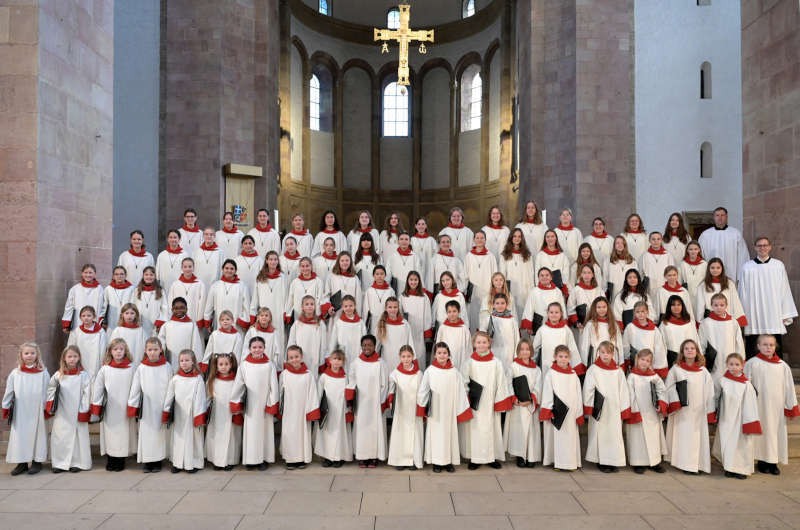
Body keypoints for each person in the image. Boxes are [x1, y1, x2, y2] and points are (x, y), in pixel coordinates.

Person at [744, 335, 799, 476]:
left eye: (771, 345)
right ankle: (762, 462)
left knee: (775, 433)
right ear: (758, 346)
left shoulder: (783, 366)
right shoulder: (752, 363)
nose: (768, 348)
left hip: (777, 408)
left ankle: (773, 463)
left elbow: (789, 387)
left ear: (775, 347)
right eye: (765, 345)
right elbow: (745, 384)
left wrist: (791, 406)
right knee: (762, 434)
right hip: (759, 406)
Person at [459, 331, 514, 470]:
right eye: (479, 342)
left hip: (490, 402)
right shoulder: (469, 363)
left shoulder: (496, 363)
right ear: (474, 344)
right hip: (475, 404)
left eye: (484, 342)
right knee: (475, 429)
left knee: (491, 429)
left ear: (489, 343)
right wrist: (467, 398)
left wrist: (499, 401)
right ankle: (475, 458)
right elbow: (463, 382)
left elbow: (501, 382)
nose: (481, 345)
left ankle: (491, 457)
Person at [738, 236, 798, 358]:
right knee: (753, 348)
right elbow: (742, 293)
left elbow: (784, 290)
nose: (762, 248)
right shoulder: (747, 267)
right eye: (759, 245)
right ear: (755, 248)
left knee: (774, 347)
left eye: (765, 245)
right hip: (754, 314)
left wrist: (785, 313)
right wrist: (742, 315)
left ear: (770, 247)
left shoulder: (778, 266)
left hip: (773, 314)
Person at [418, 342, 472, 472]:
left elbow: (460, 391)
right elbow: (423, 390)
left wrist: (462, 409)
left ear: (449, 355)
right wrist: (422, 407)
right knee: (436, 435)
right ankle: (437, 462)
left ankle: (448, 461)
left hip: (449, 410)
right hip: (435, 410)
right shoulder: (430, 371)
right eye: (439, 353)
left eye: (444, 353)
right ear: (435, 355)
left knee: (449, 434)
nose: (442, 355)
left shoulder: (454, 372)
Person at [664, 339, 716, 475]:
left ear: (697, 352)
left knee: (697, 438)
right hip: (683, 411)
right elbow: (669, 387)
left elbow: (710, 391)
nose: (690, 350)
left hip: (698, 411)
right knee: (684, 437)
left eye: (692, 348)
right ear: (682, 352)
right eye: (686, 348)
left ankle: (697, 464)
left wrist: (709, 410)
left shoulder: (703, 371)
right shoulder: (676, 369)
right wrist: (675, 402)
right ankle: (685, 464)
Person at [230, 336, 279, 470]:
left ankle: (263, 459)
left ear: (264, 348)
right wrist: (236, 402)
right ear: (249, 349)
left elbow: (274, 385)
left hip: (264, 405)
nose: (257, 350)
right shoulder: (244, 365)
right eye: (254, 347)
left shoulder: (269, 365)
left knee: (264, 432)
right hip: (250, 406)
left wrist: (272, 403)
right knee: (251, 432)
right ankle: (251, 460)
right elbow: (239, 384)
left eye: (260, 347)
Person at [583, 341, 631, 473]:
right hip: (600, 408)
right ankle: (601, 461)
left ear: (613, 354)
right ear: (598, 352)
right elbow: (588, 388)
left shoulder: (618, 371)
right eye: (602, 352)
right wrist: (589, 406)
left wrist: (624, 409)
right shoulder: (593, 369)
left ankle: (613, 461)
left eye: (608, 353)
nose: (605, 355)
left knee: (614, 435)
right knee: (600, 434)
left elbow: (623, 390)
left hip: (614, 409)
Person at [712, 353, 762, 479]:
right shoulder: (722, 381)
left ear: (742, 366)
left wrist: (750, 423)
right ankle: (729, 467)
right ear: (726, 365)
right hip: (726, 419)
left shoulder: (746, 385)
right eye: (731, 364)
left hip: (741, 420)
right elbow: (716, 398)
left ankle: (741, 469)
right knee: (727, 443)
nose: (734, 367)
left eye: (737, 364)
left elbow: (751, 405)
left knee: (741, 445)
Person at [2, 342, 49, 476]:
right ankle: (21, 463)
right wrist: (5, 407)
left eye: (32, 353)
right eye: (26, 353)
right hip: (20, 411)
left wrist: (46, 408)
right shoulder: (15, 373)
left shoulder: (43, 372)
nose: (29, 356)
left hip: (37, 410)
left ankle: (36, 462)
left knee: (37, 435)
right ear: (21, 355)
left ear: (37, 355)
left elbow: (47, 390)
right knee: (20, 436)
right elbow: (9, 391)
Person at [91, 338, 136, 471]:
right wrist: (96, 405)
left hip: (125, 406)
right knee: (110, 433)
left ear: (125, 351)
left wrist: (133, 404)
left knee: (123, 434)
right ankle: (111, 458)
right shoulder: (105, 369)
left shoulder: (131, 368)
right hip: (110, 407)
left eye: (121, 349)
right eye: (115, 349)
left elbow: (136, 387)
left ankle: (120, 460)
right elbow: (98, 388)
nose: (118, 352)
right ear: (110, 352)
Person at [128, 337, 171, 472]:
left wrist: (168, 406)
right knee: (146, 433)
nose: (152, 352)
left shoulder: (167, 366)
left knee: (159, 433)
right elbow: (135, 387)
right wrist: (132, 405)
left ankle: (157, 461)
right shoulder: (141, 367)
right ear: (145, 351)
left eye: (155, 349)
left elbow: (171, 386)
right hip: (146, 407)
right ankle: (147, 461)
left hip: (161, 405)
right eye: (150, 350)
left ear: (161, 351)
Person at [47, 345, 92, 473]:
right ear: (64, 359)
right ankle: (59, 463)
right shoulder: (58, 375)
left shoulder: (83, 375)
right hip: (62, 411)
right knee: (60, 437)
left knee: (77, 438)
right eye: (69, 356)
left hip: (77, 411)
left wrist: (83, 410)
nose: (72, 359)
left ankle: (77, 463)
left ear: (79, 358)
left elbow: (86, 393)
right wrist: (52, 404)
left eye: (75, 356)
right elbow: (50, 389)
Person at [347, 334, 389, 468]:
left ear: (374, 346)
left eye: (369, 345)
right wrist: (351, 397)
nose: (367, 347)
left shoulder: (381, 363)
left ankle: (374, 456)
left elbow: (384, 384)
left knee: (374, 429)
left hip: (375, 403)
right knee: (361, 429)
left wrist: (381, 401)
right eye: (364, 345)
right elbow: (351, 380)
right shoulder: (355, 363)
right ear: (361, 346)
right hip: (361, 402)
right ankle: (362, 456)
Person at [539, 345, 584, 471]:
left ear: (569, 358)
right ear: (555, 357)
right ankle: (556, 462)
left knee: (569, 437)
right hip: (557, 411)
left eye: (565, 357)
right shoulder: (551, 374)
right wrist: (548, 410)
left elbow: (578, 393)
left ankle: (570, 463)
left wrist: (579, 412)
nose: (563, 359)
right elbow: (547, 392)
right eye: (560, 356)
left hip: (571, 412)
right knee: (556, 437)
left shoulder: (573, 374)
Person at [163, 349, 207, 473]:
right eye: (181, 361)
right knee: (178, 439)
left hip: (193, 414)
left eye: (187, 360)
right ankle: (177, 463)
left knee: (193, 439)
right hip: (178, 414)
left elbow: (201, 398)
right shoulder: (175, 379)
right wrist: (166, 412)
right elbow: (169, 396)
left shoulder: (198, 379)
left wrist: (198, 416)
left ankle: (193, 463)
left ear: (193, 362)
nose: (184, 363)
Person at [625, 349, 667, 474]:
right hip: (637, 411)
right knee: (638, 438)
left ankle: (654, 462)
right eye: (642, 359)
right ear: (637, 359)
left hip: (651, 412)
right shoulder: (632, 376)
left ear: (651, 362)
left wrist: (661, 404)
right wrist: (634, 410)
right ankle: (638, 462)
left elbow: (662, 391)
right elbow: (630, 394)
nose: (644, 362)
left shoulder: (654, 377)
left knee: (653, 437)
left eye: (647, 360)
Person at [279, 345, 321, 469]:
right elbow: (281, 393)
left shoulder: (308, 375)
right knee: (289, 433)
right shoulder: (284, 374)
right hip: (289, 410)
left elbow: (312, 393)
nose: (294, 360)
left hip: (303, 411)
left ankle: (302, 458)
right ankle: (290, 459)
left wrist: (311, 410)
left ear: (301, 357)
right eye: (291, 357)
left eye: (296, 357)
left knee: (303, 433)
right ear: (287, 359)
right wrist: (280, 409)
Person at [503, 340, 542, 468]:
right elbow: (508, 383)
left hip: (530, 404)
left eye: (527, 349)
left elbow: (538, 386)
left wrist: (531, 399)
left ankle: (531, 456)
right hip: (518, 405)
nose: (525, 352)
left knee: (531, 431)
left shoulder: (536, 369)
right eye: (522, 349)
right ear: (518, 351)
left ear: (531, 351)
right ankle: (520, 455)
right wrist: (514, 398)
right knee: (519, 430)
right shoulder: (514, 366)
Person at [387, 345, 424, 470]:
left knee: (414, 434)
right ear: (399, 357)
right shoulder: (395, 374)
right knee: (400, 433)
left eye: (409, 356)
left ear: (413, 357)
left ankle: (414, 460)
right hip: (401, 408)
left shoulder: (419, 374)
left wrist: (421, 407)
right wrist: (391, 400)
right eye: (403, 356)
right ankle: (400, 460)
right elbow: (391, 390)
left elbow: (422, 392)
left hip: (414, 408)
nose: (406, 359)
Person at [314, 350, 353, 468]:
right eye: (334, 359)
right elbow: (319, 394)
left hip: (340, 411)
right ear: (329, 361)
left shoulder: (345, 377)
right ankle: (327, 457)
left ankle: (339, 457)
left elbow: (348, 394)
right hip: (327, 410)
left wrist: (348, 410)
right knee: (326, 433)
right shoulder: (324, 377)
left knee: (339, 433)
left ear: (343, 362)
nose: (336, 362)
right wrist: (317, 409)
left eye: (339, 359)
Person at [205, 353, 242, 470]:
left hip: (231, 414)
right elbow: (207, 398)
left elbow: (240, 395)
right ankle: (217, 461)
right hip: (217, 415)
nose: (223, 367)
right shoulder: (212, 381)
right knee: (217, 436)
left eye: (226, 364)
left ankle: (230, 460)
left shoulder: (236, 381)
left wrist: (238, 412)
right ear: (216, 365)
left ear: (231, 365)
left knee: (232, 437)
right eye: (221, 364)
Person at [698, 293, 745, 378]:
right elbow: (701, 343)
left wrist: (740, 359)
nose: (719, 307)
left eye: (721, 305)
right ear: (711, 306)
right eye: (716, 305)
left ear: (726, 305)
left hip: (731, 359)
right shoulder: (706, 323)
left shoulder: (733, 322)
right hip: (714, 361)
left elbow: (739, 343)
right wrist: (702, 358)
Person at [697, 206, 750, 282]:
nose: (720, 218)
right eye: (717, 215)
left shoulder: (735, 234)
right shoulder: (705, 235)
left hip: (731, 275)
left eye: (722, 215)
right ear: (714, 217)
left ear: (727, 217)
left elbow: (742, 256)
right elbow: (700, 256)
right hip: (711, 275)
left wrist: (740, 277)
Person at [249, 251, 288, 348]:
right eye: (270, 259)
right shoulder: (260, 277)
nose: (273, 262)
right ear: (266, 261)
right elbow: (255, 297)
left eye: (275, 259)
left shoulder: (282, 277)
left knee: (278, 339)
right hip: (263, 314)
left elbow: (287, 296)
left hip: (278, 312)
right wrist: (253, 314)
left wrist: (286, 312)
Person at [532, 302, 582, 375]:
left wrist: (576, 366)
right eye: (551, 312)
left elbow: (572, 348)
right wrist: (532, 363)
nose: (554, 314)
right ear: (547, 313)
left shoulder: (566, 330)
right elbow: (535, 348)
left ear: (561, 313)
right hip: (547, 365)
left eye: (556, 312)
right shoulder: (542, 330)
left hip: (563, 364)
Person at [158, 297, 204, 372]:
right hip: (171, 360)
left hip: (187, 362)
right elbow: (161, 342)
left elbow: (196, 345)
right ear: (172, 310)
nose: (179, 310)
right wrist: (160, 355)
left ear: (186, 309)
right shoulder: (167, 325)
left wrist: (197, 362)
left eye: (182, 308)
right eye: (176, 308)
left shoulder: (192, 325)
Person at [203, 259, 250, 332]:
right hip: (219, 322)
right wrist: (208, 321)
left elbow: (246, 306)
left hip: (236, 324)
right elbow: (209, 305)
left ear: (235, 270)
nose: (229, 270)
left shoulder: (242, 286)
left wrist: (244, 322)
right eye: (226, 268)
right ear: (222, 269)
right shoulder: (215, 285)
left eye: (232, 269)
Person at [622, 301, 667, 376]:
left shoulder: (654, 330)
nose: (640, 314)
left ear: (647, 312)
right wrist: (627, 360)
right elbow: (625, 345)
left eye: (643, 311)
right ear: (634, 313)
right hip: (635, 363)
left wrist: (659, 367)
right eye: (638, 312)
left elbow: (659, 349)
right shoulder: (630, 327)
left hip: (649, 364)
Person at [398, 271, 433, 366]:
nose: (413, 282)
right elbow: (400, 313)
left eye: (415, 280)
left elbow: (427, 315)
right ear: (407, 281)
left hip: (419, 331)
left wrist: (427, 332)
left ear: (419, 281)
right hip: (407, 329)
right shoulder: (403, 296)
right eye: (411, 280)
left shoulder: (424, 297)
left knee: (419, 353)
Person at [287, 296, 328, 376]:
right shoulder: (297, 324)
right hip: (299, 360)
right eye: (307, 304)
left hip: (314, 359)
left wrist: (322, 362)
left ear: (315, 306)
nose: (309, 306)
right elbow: (291, 342)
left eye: (312, 304)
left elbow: (323, 345)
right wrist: (291, 358)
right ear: (302, 307)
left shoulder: (320, 324)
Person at [499, 228, 535, 318]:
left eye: (519, 236)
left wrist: (532, 290)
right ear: (511, 238)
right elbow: (502, 275)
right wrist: (504, 291)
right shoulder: (504, 255)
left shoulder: (527, 255)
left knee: (525, 313)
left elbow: (531, 274)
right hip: (511, 289)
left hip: (524, 289)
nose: (517, 238)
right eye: (514, 236)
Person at [465, 231, 497, 329]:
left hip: (487, 291)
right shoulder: (469, 256)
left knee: (485, 317)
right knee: (473, 318)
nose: (479, 240)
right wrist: (466, 292)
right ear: (474, 240)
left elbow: (495, 275)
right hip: (473, 294)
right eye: (477, 238)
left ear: (485, 240)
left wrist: (494, 291)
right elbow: (465, 275)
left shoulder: (491, 256)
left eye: (482, 238)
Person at [520, 268, 566, 337]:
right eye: (542, 275)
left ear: (551, 277)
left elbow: (562, 307)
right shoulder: (534, 291)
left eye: (547, 275)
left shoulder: (557, 291)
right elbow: (529, 309)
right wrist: (529, 326)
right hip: (538, 324)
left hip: (554, 322)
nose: (544, 277)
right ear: (538, 278)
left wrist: (564, 321)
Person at [579, 297, 623, 367]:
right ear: (594, 309)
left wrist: (621, 362)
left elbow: (619, 345)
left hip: (612, 358)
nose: (601, 310)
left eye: (604, 307)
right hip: (596, 358)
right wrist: (584, 364)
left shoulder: (614, 324)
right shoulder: (590, 324)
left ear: (608, 308)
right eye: (599, 307)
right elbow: (584, 346)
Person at [61, 263, 106, 333]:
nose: (88, 275)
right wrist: (66, 324)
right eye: (86, 272)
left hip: (94, 322)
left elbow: (103, 307)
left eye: (90, 273)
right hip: (78, 322)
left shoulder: (100, 289)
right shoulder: (75, 289)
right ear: (82, 274)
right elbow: (69, 307)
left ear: (95, 274)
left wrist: (101, 320)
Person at [658, 295, 700, 370]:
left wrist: (699, 357)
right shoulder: (664, 324)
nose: (676, 307)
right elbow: (661, 345)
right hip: (672, 357)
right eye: (673, 305)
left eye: (678, 304)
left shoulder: (689, 322)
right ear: (669, 307)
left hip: (688, 356)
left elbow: (696, 340)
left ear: (682, 306)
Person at [66, 305, 107, 379]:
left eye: (89, 315)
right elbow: (71, 347)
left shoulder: (100, 332)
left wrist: (102, 363)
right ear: (80, 317)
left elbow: (103, 349)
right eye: (83, 316)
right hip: (81, 360)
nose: (86, 318)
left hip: (95, 362)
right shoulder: (77, 331)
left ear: (94, 316)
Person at [327, 295, 367, 368]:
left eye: (351, 306)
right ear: (342, 307)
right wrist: (331, 357)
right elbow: (333, 341)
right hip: (343, 355)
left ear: (355, 306)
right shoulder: (339, 323)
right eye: (346, 306)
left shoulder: (360, 323)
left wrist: (363, 354)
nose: (348, 308)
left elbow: (364, 341)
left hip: (357, 353)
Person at [285, 257, 328, 323]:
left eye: (307, 266)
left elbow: (320, 299)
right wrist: (287, 314)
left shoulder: (318, 281)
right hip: (298, 315)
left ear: (311, 266)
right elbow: (290, 299)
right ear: (299, 267)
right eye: (303, 266)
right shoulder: (295, 282)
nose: (305, 268)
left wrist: (319, 313)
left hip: (314, 315)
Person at [376, 297, 415, 371]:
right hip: (387, 361)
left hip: (403, 360)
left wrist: (414, 361)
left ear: (398, 308)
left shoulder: (405, 324)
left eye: (395, 307)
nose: (392, 310)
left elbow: (410, 343)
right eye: (390, 307)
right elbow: (377, 345)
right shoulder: (382, 324)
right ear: (385, 308)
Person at [483, 293, 520, 370]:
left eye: (502, 303)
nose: (500, 305)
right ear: (493, 305)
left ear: (507, 304)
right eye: (497, 303)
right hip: (493, 351)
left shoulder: (512, 320)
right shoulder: (488, 319)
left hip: (508, 353)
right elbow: (482, 336)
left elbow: (517, 339)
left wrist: (516, 356)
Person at [167, 257, 206, 328]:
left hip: (194, 318)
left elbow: (202, 304)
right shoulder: (175, 284)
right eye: (185, 267)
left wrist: (199, 319)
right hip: (178, 318)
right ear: (182, 268)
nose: (187, 269)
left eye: (190, 266)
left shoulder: (200, 284)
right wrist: (170, 316)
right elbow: (170, 302)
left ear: (193, 268)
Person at [434, 300, 472, 369]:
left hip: (460, 359)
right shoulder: (442, 328)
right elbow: (438, 345)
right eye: (449, 312)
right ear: (446, 313)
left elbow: (469, 348)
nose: (452, 314)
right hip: (445, 359)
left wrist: (468, 364)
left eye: (454, 311)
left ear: (459, 311)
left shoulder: (464, 329)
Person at [638, 232, 675, 301]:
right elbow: (640, 273)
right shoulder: (644, 256)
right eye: (653, 239)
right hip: (650, 288)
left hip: (665, 286)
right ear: (649, 241)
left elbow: (672, 273)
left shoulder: (668, 255)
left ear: (661, 240)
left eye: (658, 239)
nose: (656, 241)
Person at [567, 264, 604, 329]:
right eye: (584, 273)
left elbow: (605, 306)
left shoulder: (599, 290)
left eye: (589, 273)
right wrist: (576, 322)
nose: (587, 275)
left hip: (597, 323)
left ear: (593, 275)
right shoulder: (576, 290)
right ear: (581, 274)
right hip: (582, 325)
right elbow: (570, 309)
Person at [534, 230, 571, 296]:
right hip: (543, 288)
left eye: (552, 236)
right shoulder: (540, 255)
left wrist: (562, 287)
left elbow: (566, 274)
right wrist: (539, 287)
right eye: (548, 237)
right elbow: (537, 273)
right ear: (545, 239)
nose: (550, 239)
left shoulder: (562, 256)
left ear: (556, 238)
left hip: (559, 289)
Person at [326, 251, 363, 317]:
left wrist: (358, 314)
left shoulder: (354, 278)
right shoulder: (332, 276)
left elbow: (358, 298)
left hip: (351, 312)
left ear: (350, 262)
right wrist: (328, 307)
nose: (345, 263)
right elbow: (326, 294)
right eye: (342, 260)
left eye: (347, 260)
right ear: (338, 262)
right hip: (336, 312)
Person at [363, 265, 396, 335]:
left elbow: (394, 307)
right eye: (377, 274)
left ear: (385, 275)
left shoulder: (390, 291)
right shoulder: (369, 291)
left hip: (387, 320)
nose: (379, 276)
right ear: (373, 276)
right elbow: (366, 309)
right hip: (374, 321)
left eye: (382, 274)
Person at [605, 236, 638, 302]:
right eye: (617, 243)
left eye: (622, 243)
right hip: (614, 291)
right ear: (614, 245)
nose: (620, 245)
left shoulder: (632, 261)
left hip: (628, 291)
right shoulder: (608, 260)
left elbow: (636, 277)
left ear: (625, 245)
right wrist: (605, 292)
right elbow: (605, 277)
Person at [104, 265, 134, 334]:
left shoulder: (132, 289)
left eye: (121, 274)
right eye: (116, 274)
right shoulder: (108, 289)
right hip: (112, 319)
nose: (119, 276)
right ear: (113, 276)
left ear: (126, 275)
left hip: (128, 319)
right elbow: (104, 306)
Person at [680, 241, 707, 315]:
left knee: (699, 313)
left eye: (695, 249)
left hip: (700, 293)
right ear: (687, 251)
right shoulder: (683, 264)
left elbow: (706, 280)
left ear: (699, 250)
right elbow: (680, 280)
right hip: (687, 293)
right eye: (690, 249)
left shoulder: (704, 264)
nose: (693, 251)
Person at [411, 217, 438, 291]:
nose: (421, 226)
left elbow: (436, 255)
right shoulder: (412, 240)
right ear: (415, 226)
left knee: (428, 286)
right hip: (416, 268)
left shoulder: (431, 240)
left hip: (429, 268)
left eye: (423, 224)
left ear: (426, 226)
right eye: (419, 224)